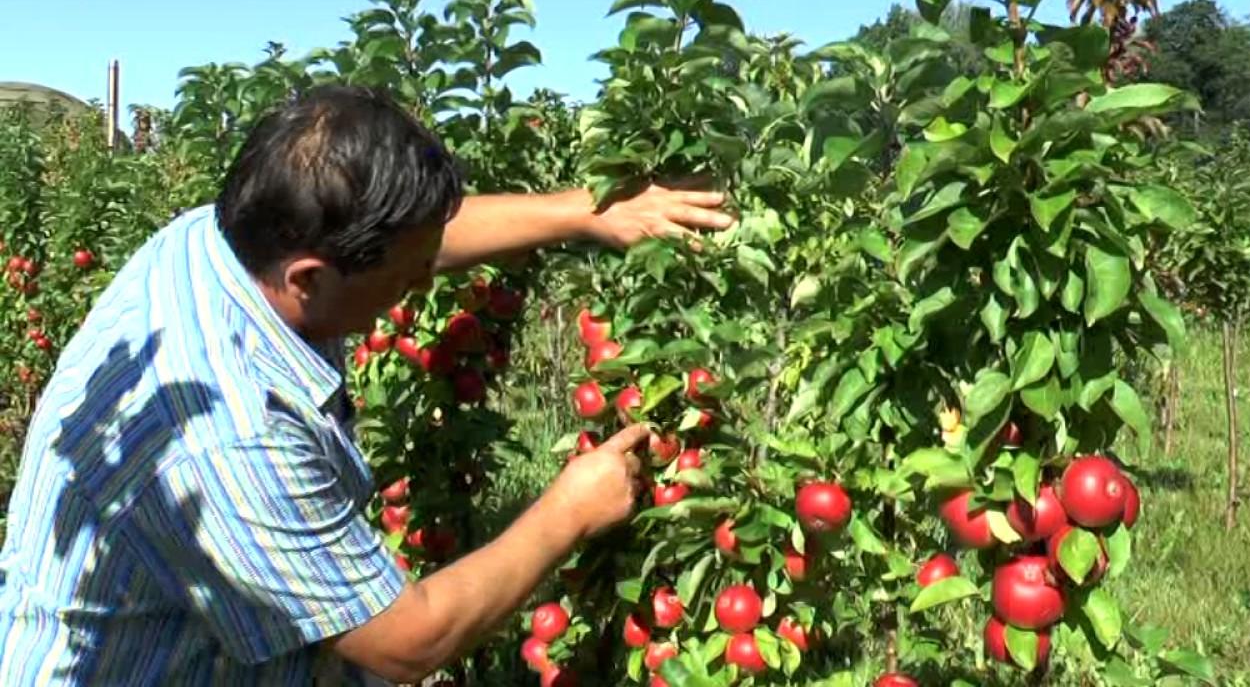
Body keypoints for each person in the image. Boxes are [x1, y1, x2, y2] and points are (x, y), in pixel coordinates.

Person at [0, 85, 733, 685]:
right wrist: (569, 511)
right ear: (311, 280)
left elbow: (412, 235)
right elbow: (406, 643)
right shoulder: (231, 436)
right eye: (407, 278)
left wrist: (588, 212)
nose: (422, 281)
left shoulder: (231, 235)